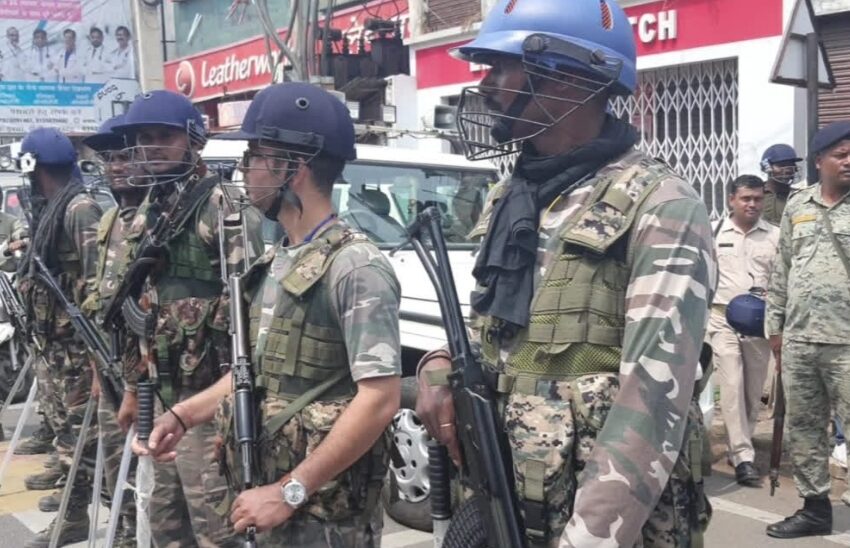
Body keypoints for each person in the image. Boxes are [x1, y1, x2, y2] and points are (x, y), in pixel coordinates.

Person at [415, 0, 716, 546]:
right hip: (510, 500)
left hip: (603, 523)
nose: (485, 86)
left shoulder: (662, 206)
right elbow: (498, 331)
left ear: (566, 79)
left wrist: (589, 538)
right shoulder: (513, 195)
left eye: (501, 68)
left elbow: (653, 401)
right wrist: (439, 364)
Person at [134, 82, 402, 547]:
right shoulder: (278, 260)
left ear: (291, 168)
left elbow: (379, 399)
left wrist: (289, 490)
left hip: (324, 516)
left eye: (253, 157)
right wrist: (183, 415)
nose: (245, 171)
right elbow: (254, 369)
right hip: (268, 496)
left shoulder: (355, 267)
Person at [111, 90, 263, 547]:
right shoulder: (148, 213)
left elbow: (249, 310)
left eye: (164, 136)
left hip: (208, 403)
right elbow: (141, 308)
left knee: (217, 527)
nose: (152, 147)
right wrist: (134, 389)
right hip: (161, 395)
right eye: (144, 138)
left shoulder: (222, 207)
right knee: (163, 521)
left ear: (194, 141)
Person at [16, 127, 103, 547]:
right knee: (68, 435)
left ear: (35, 167)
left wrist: (97, 359)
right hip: (55, 345)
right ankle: (74, 509)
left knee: (86, 441)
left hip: (78, 351)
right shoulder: (51, 208)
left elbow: (99, 283)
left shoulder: (79, 209)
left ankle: (94, 515)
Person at [766, 120, 850, 539]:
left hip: (847, 342)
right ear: (819, 160)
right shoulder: (798, 205)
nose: (848, 161)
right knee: (804, 428)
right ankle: (815, 508)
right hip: (799, 340)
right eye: (841, 154)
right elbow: (782, 267)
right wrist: (775, 328)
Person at [79, 114, 144, 546]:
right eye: (110, 159)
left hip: (143, 374)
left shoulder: (157, 219)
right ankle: (123, 535)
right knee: (114, 465)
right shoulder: (109, 221)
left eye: (125, 157)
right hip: (108, 365)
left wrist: (137, 384)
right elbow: (95, 301)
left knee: (146, 474)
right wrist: (95, 370)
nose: (116, 167)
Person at [708, 175, 778, 487]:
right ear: (732, 200)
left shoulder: (775, 236)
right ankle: (743, 457)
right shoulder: (713, 232)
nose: (752, 204)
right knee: (732, 383)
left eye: (758, 199)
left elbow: (782, 279)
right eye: (746, 198)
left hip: (760, 323)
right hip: (722, 318)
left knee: (752, 390)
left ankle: (742, 444)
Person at [760, 144, 803, 226]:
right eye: (782, 165)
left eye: (791, 166)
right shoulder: (755, 194)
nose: (788, 170)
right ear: (766, 167)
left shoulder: (799, 196)